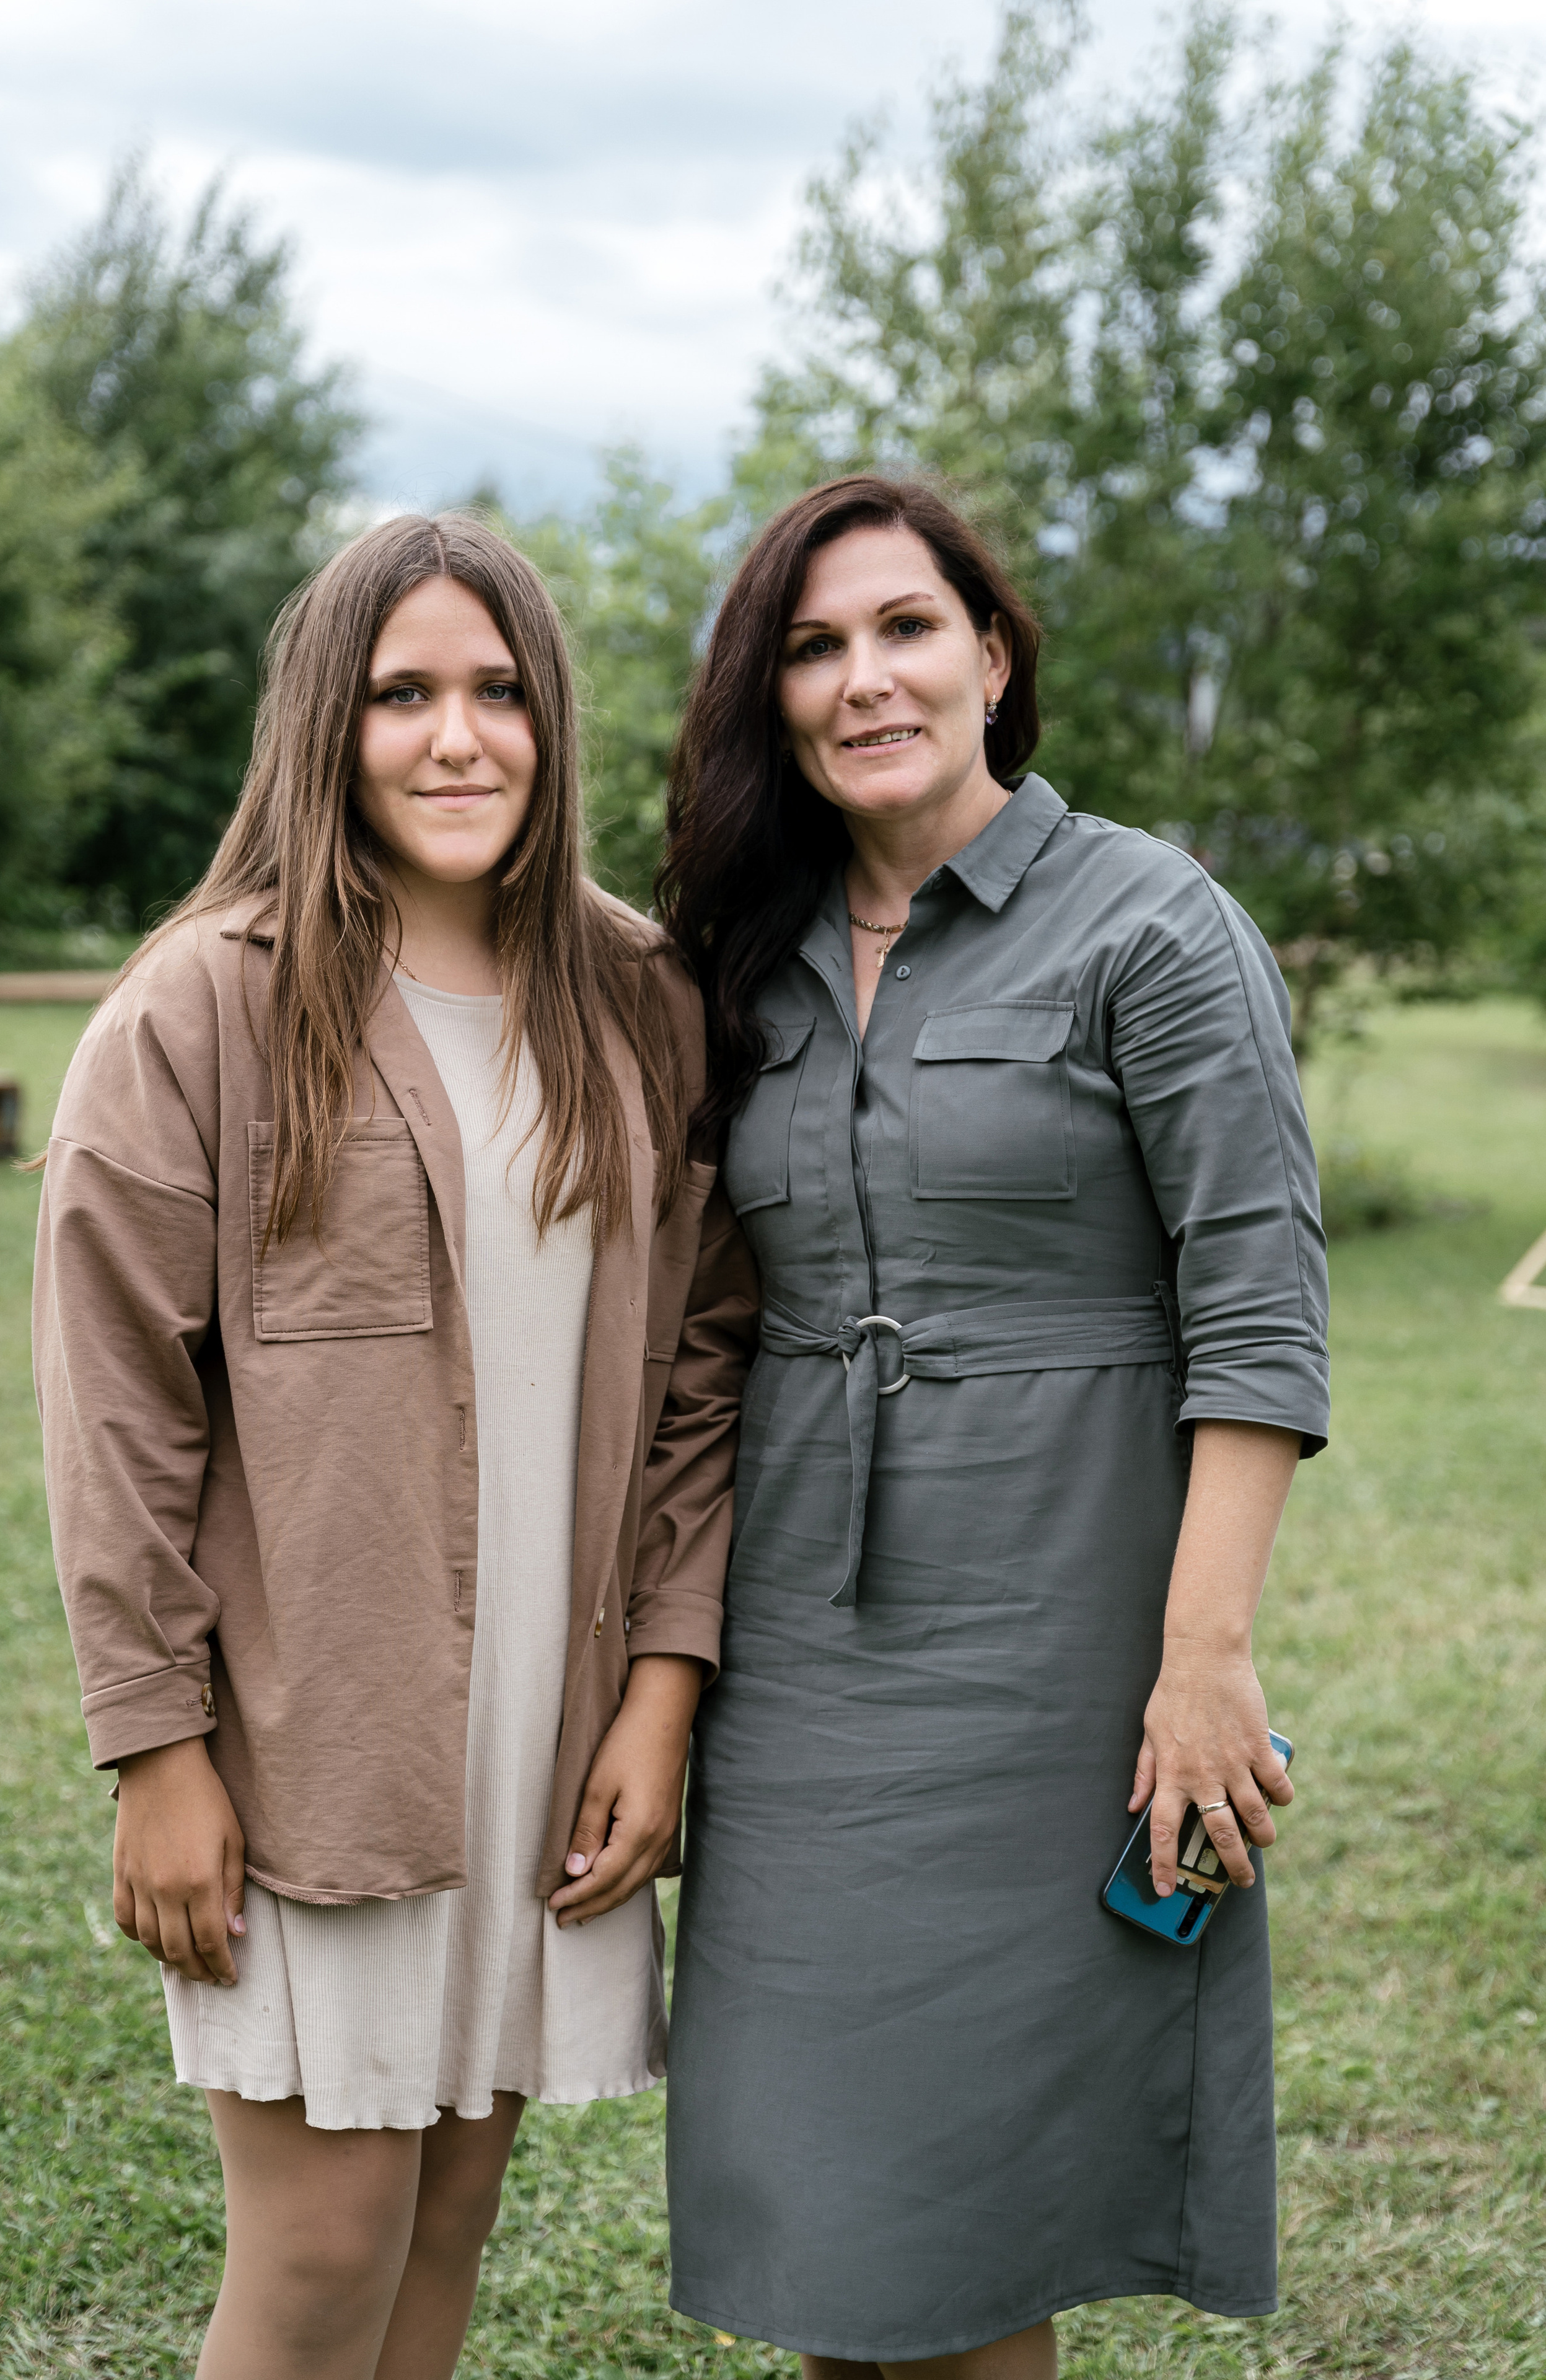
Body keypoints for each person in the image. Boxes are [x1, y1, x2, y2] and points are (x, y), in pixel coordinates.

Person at [32, 513, 756, 2380]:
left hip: (551, 1726)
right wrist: (155, 1749)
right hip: (308, 1738)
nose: (457, 738)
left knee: (450, 2213)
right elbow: (114, 1407)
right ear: (324, 725)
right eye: (402, 693)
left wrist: (663, 1691)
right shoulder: (202, 1008)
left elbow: (702, 1371)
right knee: (325, 2240)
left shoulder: (640, 999)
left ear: (552, 719)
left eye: (499, 691)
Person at [656, 474, 1330, 2379]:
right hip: (799, 1673)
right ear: (774, 699)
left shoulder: (1155, 924)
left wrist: (1204, 1662)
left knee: (967, 2233)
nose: (865, 678)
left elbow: (1257, 1316)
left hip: (1062, 1658)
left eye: (906, 628)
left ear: (993, 658)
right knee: (825, 2228)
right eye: (814, 648)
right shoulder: (744, 958)